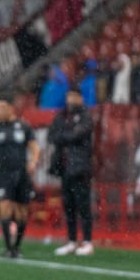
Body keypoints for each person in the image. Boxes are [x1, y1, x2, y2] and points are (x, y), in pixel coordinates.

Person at [0, 94, 40, 258]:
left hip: (22, 174)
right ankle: (8, 247)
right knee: (5, 208)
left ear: (10, 108)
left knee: (22, 212)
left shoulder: (24, 127)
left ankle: (17, 247)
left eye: (2, 107)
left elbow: (34, 147)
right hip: (3, 174)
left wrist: (34, 162)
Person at [50, 86, 95, 255]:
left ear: (80, 98)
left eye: (74, 96)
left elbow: (77, 135)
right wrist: (67, 136)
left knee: (83, 205)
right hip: (64, 167)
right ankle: (72, 241)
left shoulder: (85, 115)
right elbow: (52, 135)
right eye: (69, 96)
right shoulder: (62, 115)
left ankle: (88, 241)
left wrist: (64, 136)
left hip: (80, 167)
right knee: (68, 206)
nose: (70, 100)